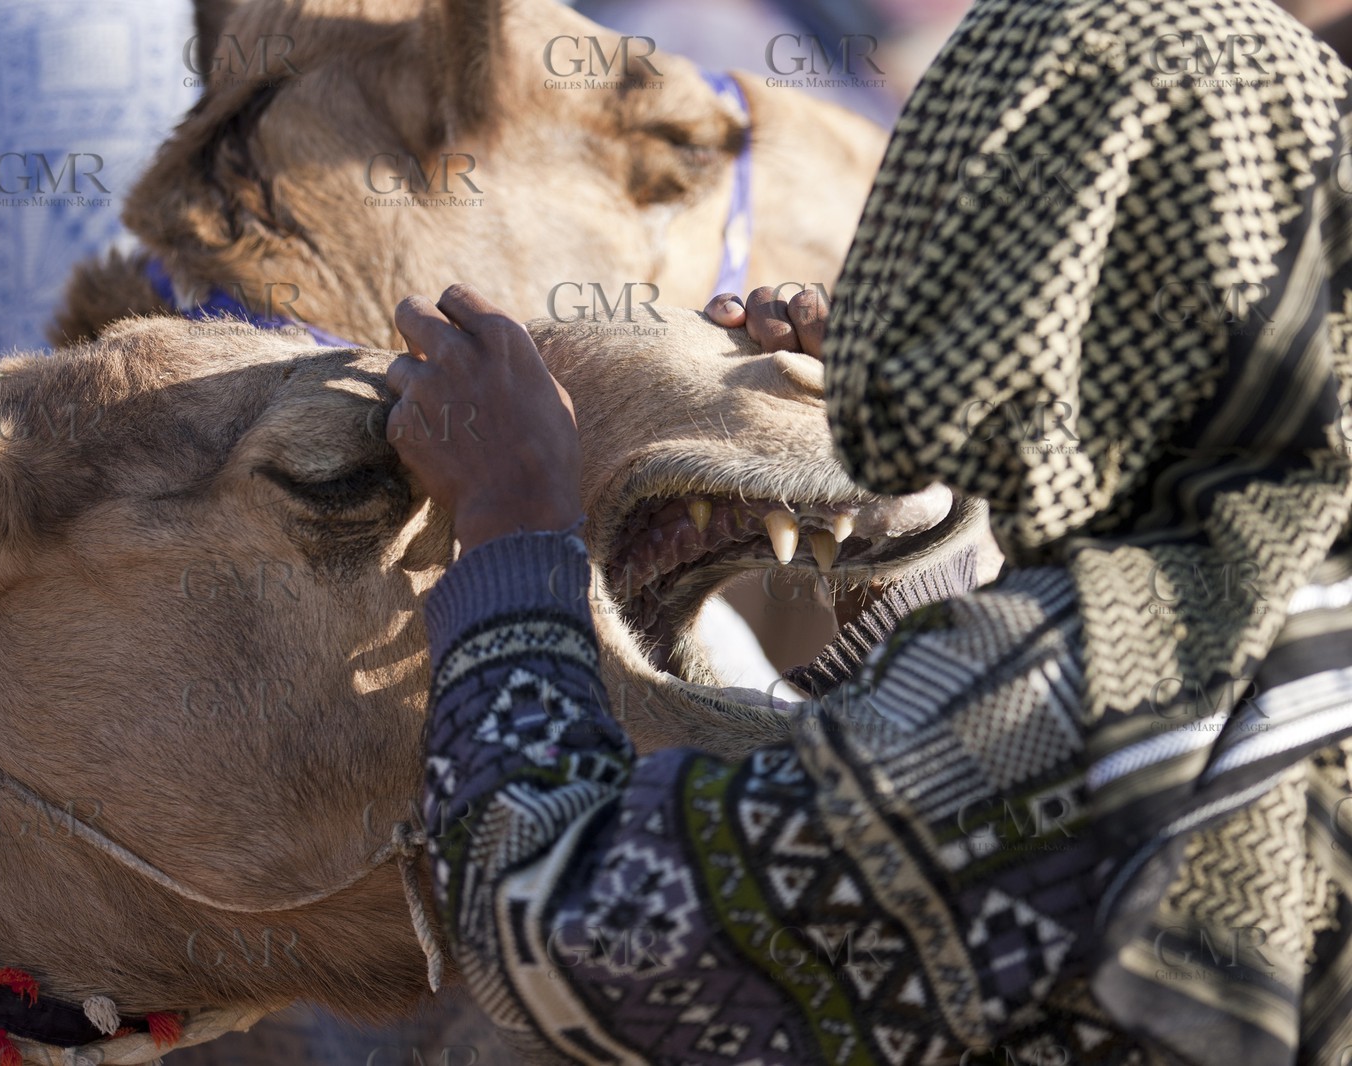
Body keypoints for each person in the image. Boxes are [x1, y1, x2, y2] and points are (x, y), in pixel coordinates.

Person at [385, 0, 1352, 1062]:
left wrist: (511, 524)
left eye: (989, 234)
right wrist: (922, 522)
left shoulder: (1086, 690)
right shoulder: (1289, 545)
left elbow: (563, 934)